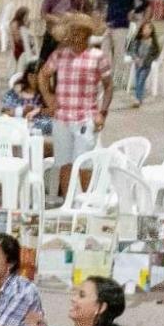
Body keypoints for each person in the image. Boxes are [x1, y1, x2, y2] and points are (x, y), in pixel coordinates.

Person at [39, 14, 111, 194]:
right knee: (64, 163)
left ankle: (85, 202)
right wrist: (48, 97)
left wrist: (102, 112)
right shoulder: (59, 55)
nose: (74, 38)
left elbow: (108, 86)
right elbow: (43, 75)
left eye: (78, 33)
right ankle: (68, 202)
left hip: (85, 117)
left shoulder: (97, 56)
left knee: (84, 163)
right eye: (71, 34)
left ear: (87, 35)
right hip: (62, 117)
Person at [100, 0, 148, 69]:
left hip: (121, 24)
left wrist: (135, 11)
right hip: (109, 23)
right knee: (104, 51)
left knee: (118, 53)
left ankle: (118, 81)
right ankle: (106, 76)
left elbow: (146, 1)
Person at [127, 17, 161, 108]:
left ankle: (138, 99)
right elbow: (131, 51)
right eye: (145, 28)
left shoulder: (153, 43)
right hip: (138, 63)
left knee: (141, 79)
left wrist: (147, 61)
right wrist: (136, 58)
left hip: (146, 65)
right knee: (138, 80)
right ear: (141, 30)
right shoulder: (137, 41)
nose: (147, 31)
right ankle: (138, 98)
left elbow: (156, 54)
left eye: (149, 28)